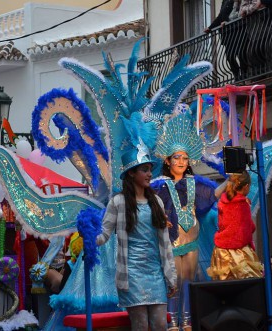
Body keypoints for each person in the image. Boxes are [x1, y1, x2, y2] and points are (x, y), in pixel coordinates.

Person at [151, 111, 224, 331]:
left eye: (184, 158)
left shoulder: (195, 183)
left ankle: (188, 322)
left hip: (191, 241)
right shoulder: (159, 185)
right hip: (172, 243)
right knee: (172, 285)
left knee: (188, 283)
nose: (181, 162)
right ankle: (172, 323)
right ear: (167, 160)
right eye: (176, 158)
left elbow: (213, 195)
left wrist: (232, 182)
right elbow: (149, 206)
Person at [96, 143, 177, 331]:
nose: (149, 174)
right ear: (131, 173)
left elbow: (164, 243)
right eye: (144, 170)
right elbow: (103, 235)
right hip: (131, 275)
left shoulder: (156, 201)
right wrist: (87, 235)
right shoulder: (118, 202)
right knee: (140, 326)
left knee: (159, 325)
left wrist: (170, 277)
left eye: (150, 170)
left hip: (155, 274)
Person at [207, 170, 263, 280]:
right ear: (246, 186)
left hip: (221, 251)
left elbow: (222, 224)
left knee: (224, 287)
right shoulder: (243, 204)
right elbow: (246, 230)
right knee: (246, 285)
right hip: (240, 251)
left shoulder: (222, 202)